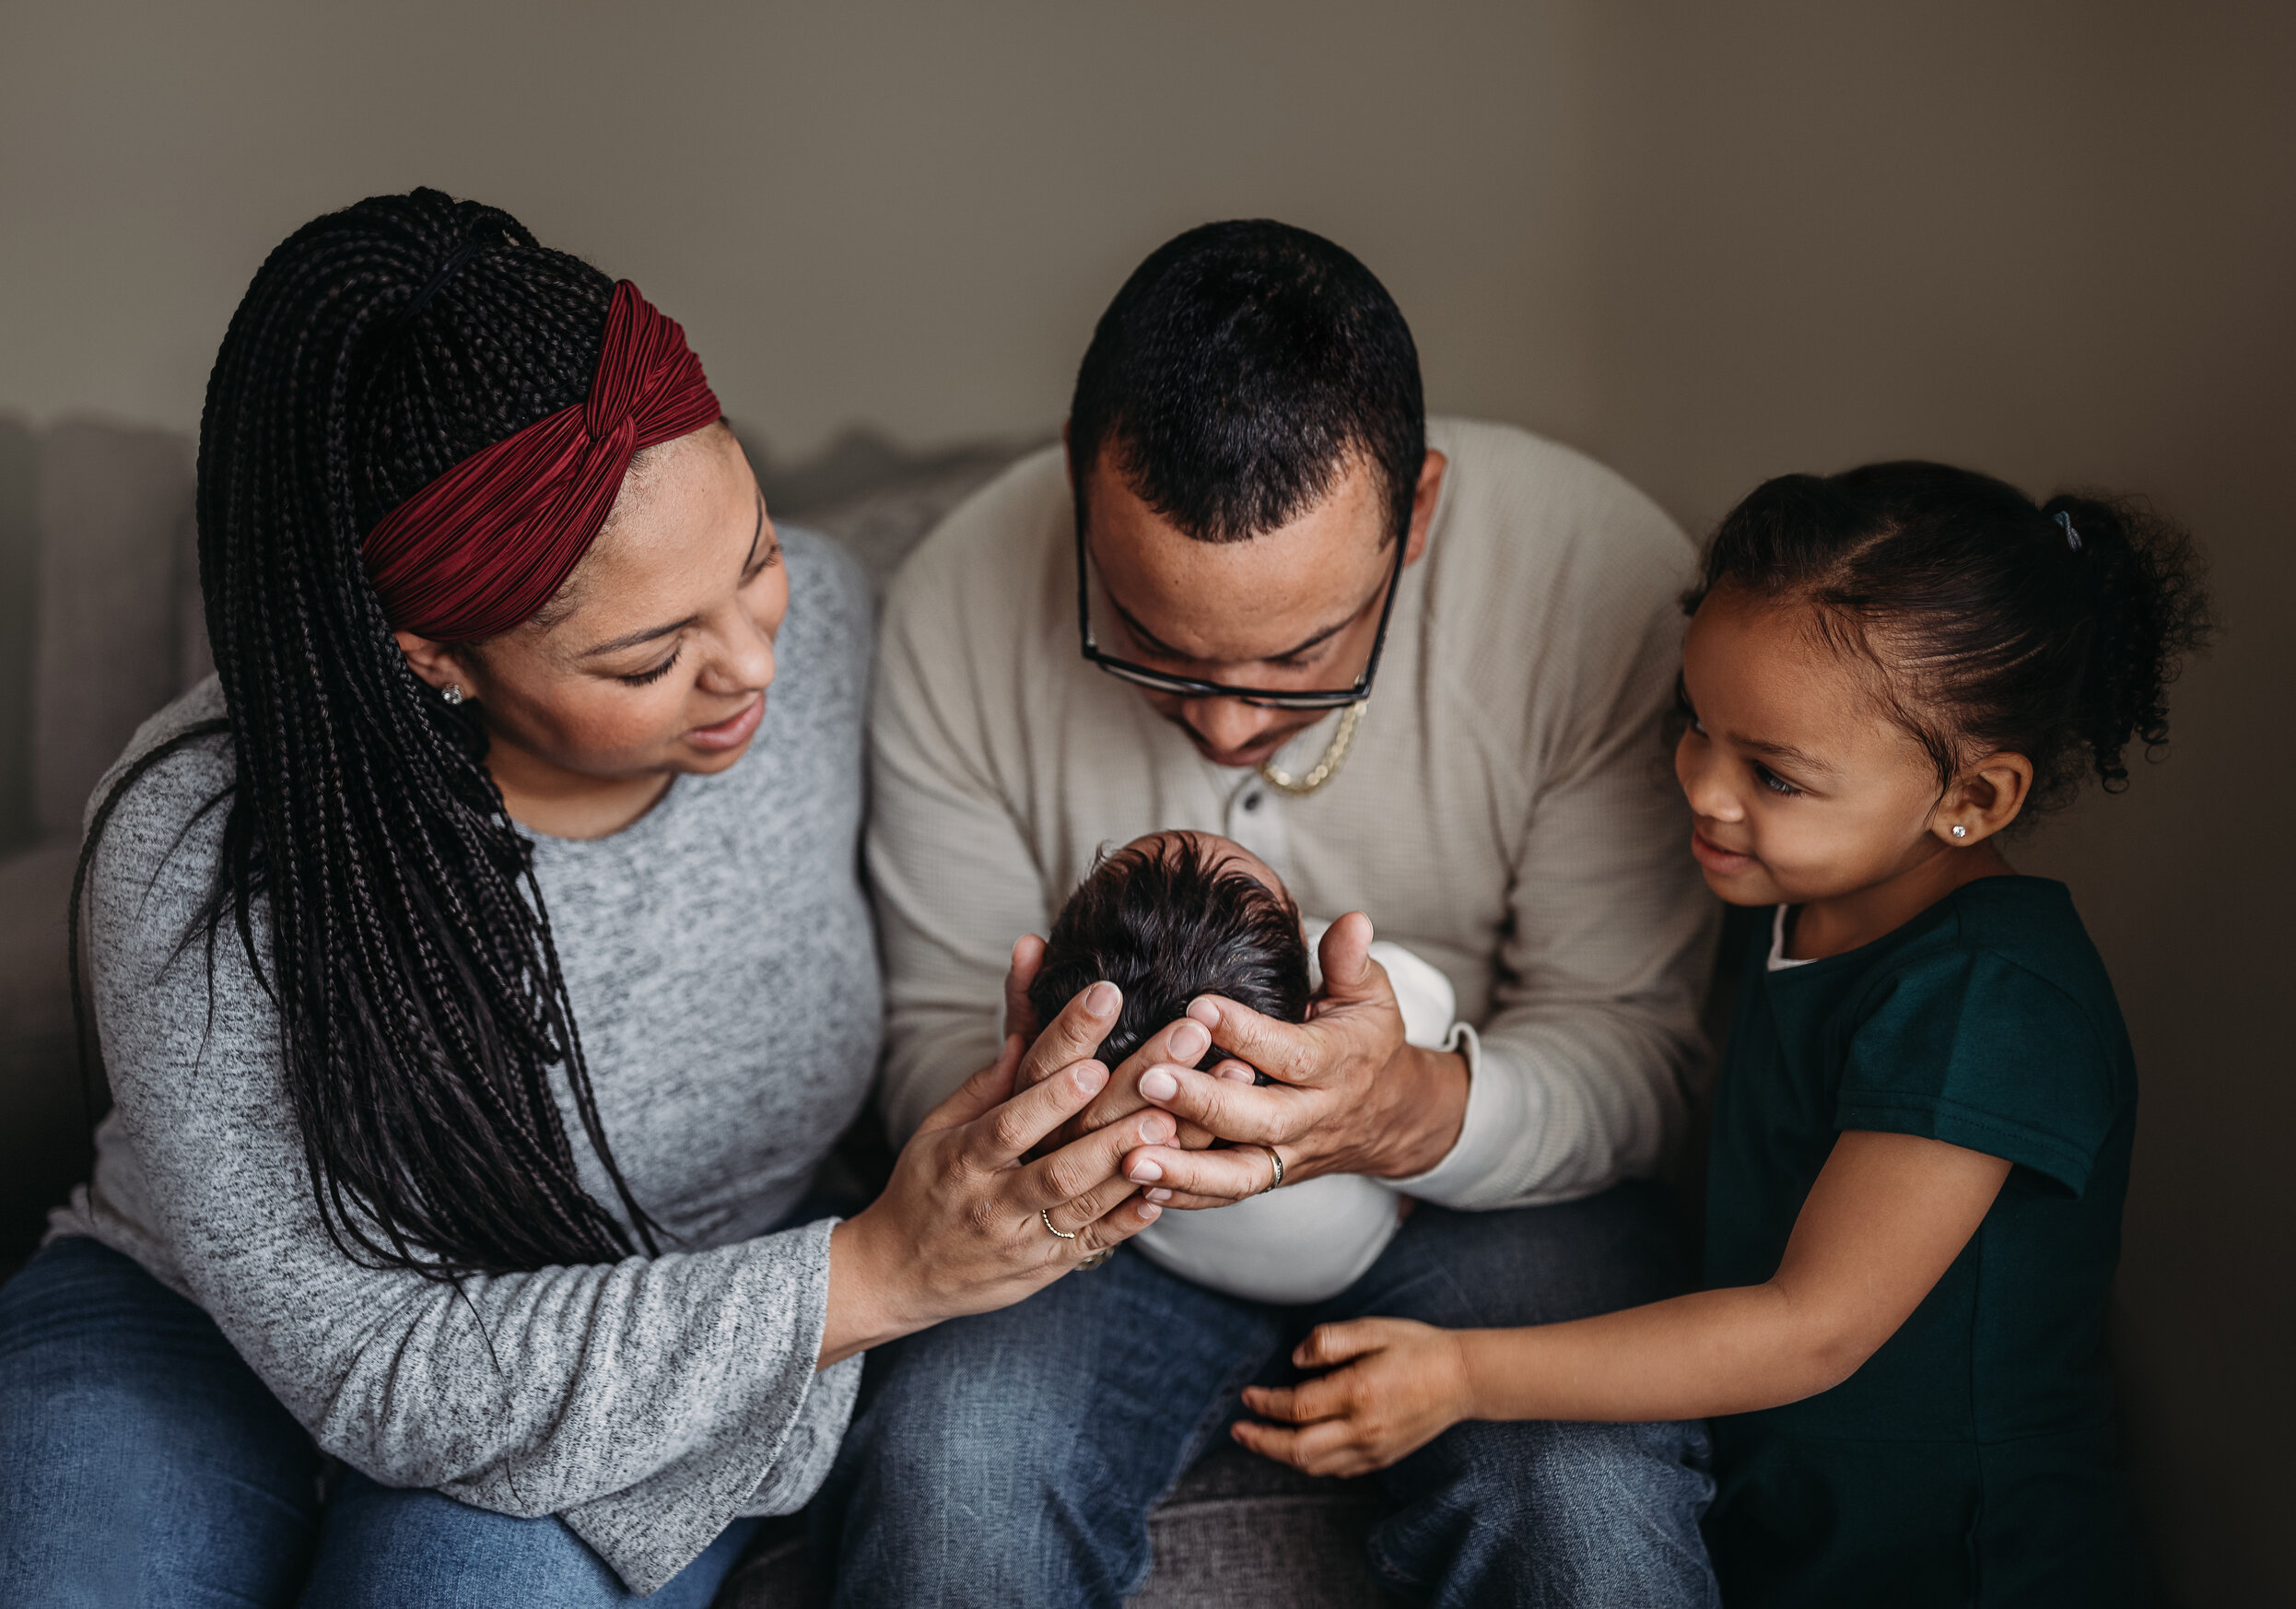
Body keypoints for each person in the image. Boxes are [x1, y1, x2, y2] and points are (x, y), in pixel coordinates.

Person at [0, 189, 1168, 1609]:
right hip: (207, 1331)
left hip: (672, 1328)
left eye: (754, 559)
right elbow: (373, 1359)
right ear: (436, 659)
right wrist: (876, 1275)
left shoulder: (851, 624)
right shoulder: (201, 835)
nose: (750, 664)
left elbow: (1107, 524)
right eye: (650, 658)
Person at [826, 219, 1723, 1606]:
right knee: (955, 1472)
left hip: (1496, 1200)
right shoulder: (957, 600)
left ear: (1417, 513)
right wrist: (1039, 1097)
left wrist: (1407, 1113)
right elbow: (927, 1043)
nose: (1228, 725)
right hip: (1102, 1224)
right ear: (1078, 477)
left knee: (1584, 1505)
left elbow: (1643, 1052)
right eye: (1155, 645)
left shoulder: (1594, 585)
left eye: (1304, 656)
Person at [1235, 462, 2209, 1608]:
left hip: (1963, 1564)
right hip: (1791, 1529)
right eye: (1695, 727)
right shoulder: (1794, 905)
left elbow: (1811, 1328)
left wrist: (1461, 1372)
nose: (1702, 788)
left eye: (1775, 776)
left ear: (1975, 799)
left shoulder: (1990, 999)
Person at [1028, 829, 1458, 1304]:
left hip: (1164, 1261)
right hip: (1351, 1257)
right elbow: (1437, 996)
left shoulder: (1049, 1066)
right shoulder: (1367, 1028)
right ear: (1311, 1012)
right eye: (1301, 923)